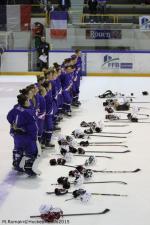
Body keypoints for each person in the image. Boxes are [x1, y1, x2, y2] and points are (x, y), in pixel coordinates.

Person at [7, 94, 40, 176]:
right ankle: (29, 169)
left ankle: (17, 165)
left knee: (18, 150)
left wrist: (13, 124)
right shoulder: (29, 113)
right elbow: (33, 127)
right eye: (28, 100)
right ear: (25, 102)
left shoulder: (16, 108)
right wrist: (34, 137)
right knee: (32, 152)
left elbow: (8, 116)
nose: (29, 102)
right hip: (27, 136)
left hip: (17, 136)